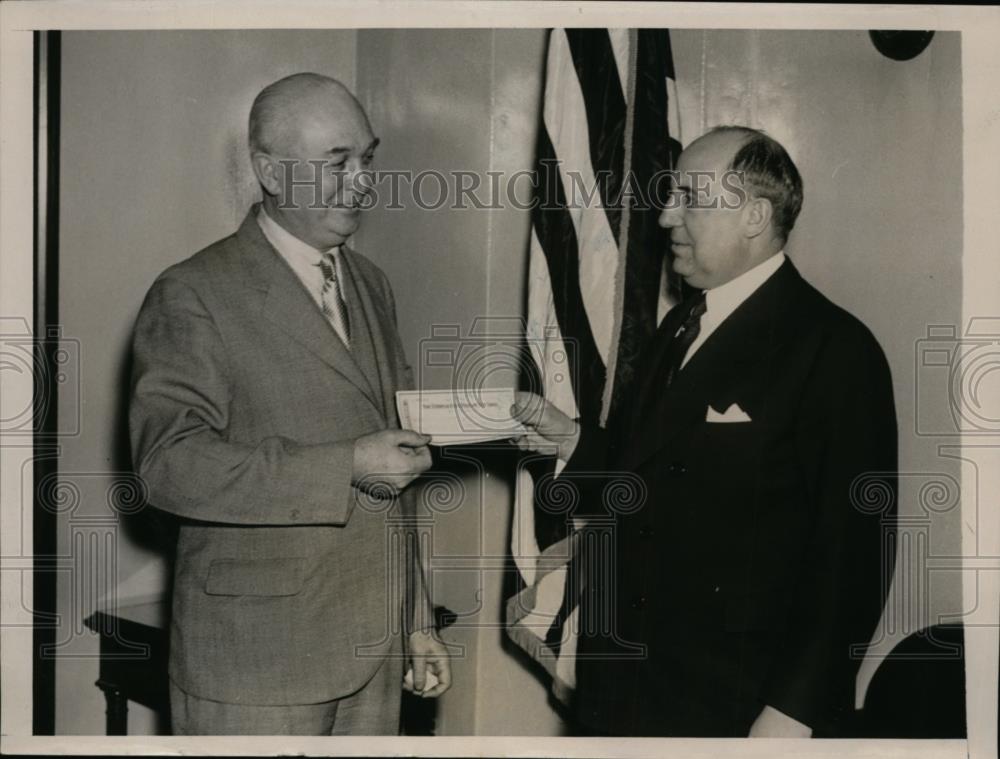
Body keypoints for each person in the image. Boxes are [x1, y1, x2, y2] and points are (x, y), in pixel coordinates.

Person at [512, 126, 897, 738]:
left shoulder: (834, 349)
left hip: (734, 704)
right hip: (624, 685)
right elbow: (656, 468)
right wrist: (573, 442)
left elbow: (854, 558)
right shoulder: (682, 328)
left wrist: (792, 714)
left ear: (754, 215)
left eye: (689, 196)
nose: (666, 215)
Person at [130, 72, 450, 735]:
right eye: (338, 163)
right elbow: (168, 465)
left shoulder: (371, 284)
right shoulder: (193, 293)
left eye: (368, 158)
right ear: (270, 172)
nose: (362, 181)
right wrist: (346, 465)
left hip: (374, 655)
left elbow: (399, 461)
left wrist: (415, 621)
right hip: (256, 662)